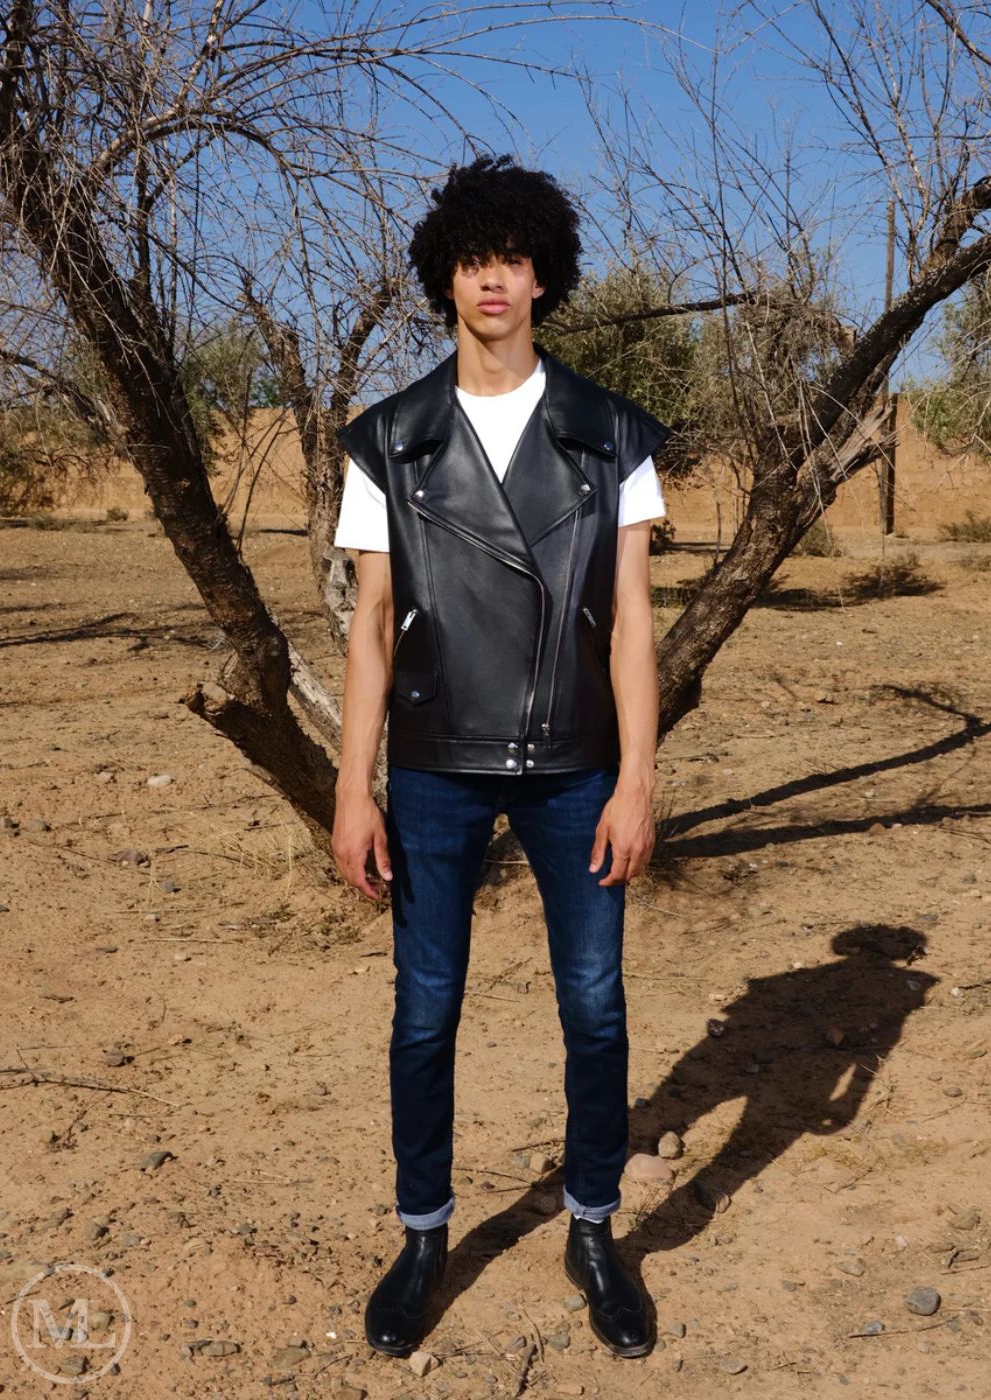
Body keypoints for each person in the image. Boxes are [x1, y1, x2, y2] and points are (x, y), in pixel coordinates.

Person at [330, 154, 670, 1361]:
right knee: (424, 1014)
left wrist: (635, 780)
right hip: (432, 762)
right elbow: (370, 629)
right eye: (474, 259)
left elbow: (631, 622)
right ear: (447, 276)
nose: (494, 280)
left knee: (594, 1007)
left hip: (578, 761)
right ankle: (423, 1232)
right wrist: (349, 785)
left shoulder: (611, 435)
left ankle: (591, 1226)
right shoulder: (391, 439)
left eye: (514, 260)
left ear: (543, 278)